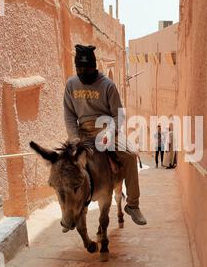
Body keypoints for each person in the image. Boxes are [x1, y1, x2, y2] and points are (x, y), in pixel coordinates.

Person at [63, 44, 147, 225]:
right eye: (79, 69)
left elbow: (119, 114)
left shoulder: (108, 85)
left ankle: (133, 204)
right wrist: (74, 137)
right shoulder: (71, 85)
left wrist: (109, 132)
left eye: (87, 68)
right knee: (63, 166)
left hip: (108, 131)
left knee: (131, 155)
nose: (83, 72)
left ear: (94, 66)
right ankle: (69, 212)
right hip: (83, 133)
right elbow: (69, 114)